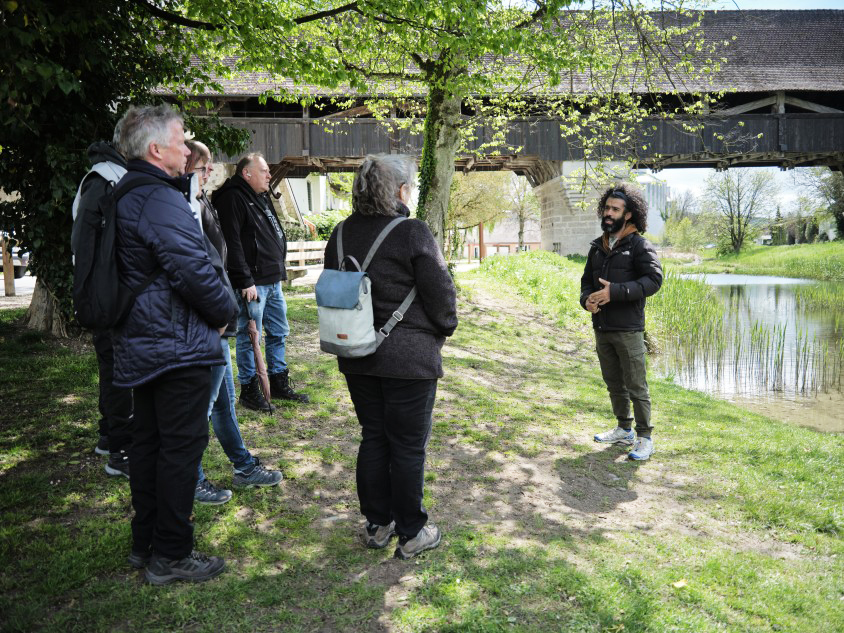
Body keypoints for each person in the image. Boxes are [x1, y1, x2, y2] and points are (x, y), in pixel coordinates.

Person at [113, 105, 237, 584]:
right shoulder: (157, 198)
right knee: (179, 449)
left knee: (149, 444)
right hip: (176, 343)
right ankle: (172, 554)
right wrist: (225, 312)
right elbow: (195, 270)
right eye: (181, 141)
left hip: (149, 341)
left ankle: (145, 544)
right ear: (155, 149)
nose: (188, 150)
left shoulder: (130, 192)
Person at [323, 154, 458, 559]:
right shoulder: (412, 231)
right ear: (400, 191)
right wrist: (444, 327)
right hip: (409, 360)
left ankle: (378, 524)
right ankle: (413, 532)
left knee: (374, 435)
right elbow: (441, 292)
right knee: (408, 445)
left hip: (357, 351)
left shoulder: (341, 233)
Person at [185, 140, 283, 505]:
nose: (208, 173)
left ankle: (243, 466)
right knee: (203, 405)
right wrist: (234, 292)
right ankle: (190, 479)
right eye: (201, 167)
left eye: (209, 167)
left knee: (224, 400)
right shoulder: (181, 207)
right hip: (200, 324)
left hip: (215, 321)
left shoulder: (201, 201)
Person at [212, 152, 309, 411]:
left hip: (273, 278)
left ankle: (277, 382)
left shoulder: (259, 196)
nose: (269, 175)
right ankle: (250, 389)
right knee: (249, 337)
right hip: (253, 283)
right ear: (247, 173)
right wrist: (244, 280)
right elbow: (232, 243)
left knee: (278, 332)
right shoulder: (232, 197)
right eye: (264, 171)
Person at [581, 183, 663, 461]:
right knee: (613, 382)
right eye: (606, 208)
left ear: (628, 215)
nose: (608, 213)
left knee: (636, 385)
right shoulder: (598, 247)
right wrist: (587, 301)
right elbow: (585, 284)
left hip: (628, 329)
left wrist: (613, 292)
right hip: (602, 327)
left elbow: (654, 280)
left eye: (615, 209)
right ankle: (623, 428)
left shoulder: (640, 245)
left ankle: (644, 438)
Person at [71, 135, 133, 478]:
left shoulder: (111, 175)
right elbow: (87, 246)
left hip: (109, 292)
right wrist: (96, 297)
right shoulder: (104, 179)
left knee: (113, 369)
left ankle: (110, 435)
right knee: (117, 370)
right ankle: (121, 450)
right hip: (107, 294)